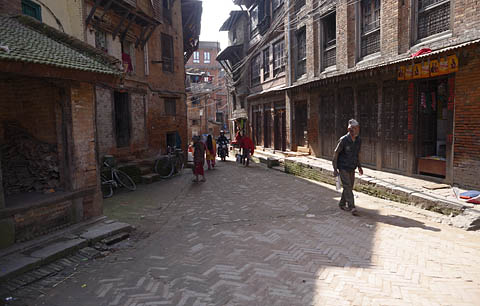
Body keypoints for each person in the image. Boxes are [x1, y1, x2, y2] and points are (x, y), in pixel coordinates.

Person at [332, 119, 363, 216]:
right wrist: (335, 168)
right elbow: (336, 154)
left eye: (357, 128)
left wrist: (359, 167)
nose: (356, 130)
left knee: (348, 187)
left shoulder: (358, 140)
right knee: (347, 186)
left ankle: (342, 203)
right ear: (350, 130)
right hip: (343, 167)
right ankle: (352, 207)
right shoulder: (343, 140)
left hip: (352, 167)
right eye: (354, 129)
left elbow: (357, 154)